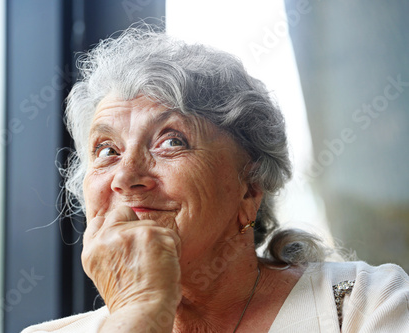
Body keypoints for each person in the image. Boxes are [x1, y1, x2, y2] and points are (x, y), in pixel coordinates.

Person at [22, 26, 409, 332]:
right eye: (107, 150)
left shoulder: (365, 306)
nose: (125, 177)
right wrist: (139, 313)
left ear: (250, 188)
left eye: (171, 141)